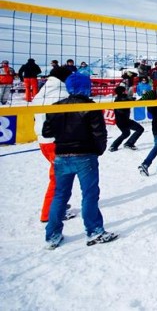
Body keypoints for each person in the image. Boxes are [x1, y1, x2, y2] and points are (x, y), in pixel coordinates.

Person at [42, 73, 118, 249]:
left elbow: (47, 133)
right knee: (89, 195)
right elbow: (99, 133)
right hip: (85, 156)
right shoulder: (89, 106)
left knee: (60, 195)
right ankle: (95, 231)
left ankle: (52, 236)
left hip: (61, 156)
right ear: (86, 87)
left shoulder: (55, 107)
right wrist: (98, 151)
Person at [32, 66, 74, 223]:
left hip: (43, 140)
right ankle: (49, 213)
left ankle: (58, 204)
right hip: (56, 142)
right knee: (58, 179)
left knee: (59, 177)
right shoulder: (62, 94)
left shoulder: (42, 91)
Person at [109, 85, 144, 151]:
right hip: (124, 121)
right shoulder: (123, 99)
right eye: (125, 91)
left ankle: (113, 146)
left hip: (119, 121)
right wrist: (139, 99)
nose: (126, 91)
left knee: (126, 133)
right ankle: (129, 143)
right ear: (122, 92)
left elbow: (129, 101)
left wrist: (131, 99)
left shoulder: (118, 98)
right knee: (140, 129)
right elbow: (128, 102)